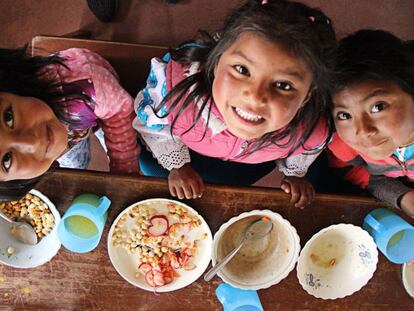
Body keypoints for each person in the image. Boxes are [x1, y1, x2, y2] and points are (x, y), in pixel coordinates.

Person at [133, 0, 336, 208]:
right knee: (151, 169)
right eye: (242, 69)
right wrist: (177, 166)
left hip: (250, 164)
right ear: (217, 58)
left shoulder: (311, 130)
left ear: (308, 95)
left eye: (283, 85)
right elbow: (153, 127)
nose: (255, 97)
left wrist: (294, 174)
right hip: (189, 152)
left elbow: (305, 150)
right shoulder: (176, 90)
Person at [0, 46, 140, 201]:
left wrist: (123, 167)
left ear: (9, 87)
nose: (33, 142)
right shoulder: (44, 133)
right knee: (77, 164)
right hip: (75, 131)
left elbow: (119, 114)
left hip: (101, 104)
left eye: (8, 117)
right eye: (6, 160)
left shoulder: (88, 86)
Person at [326, 29, 414, 217]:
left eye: (378, 107)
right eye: (344, 115)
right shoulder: (343, 146)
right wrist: (401, 196)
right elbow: (358, 173)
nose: (363, 131)